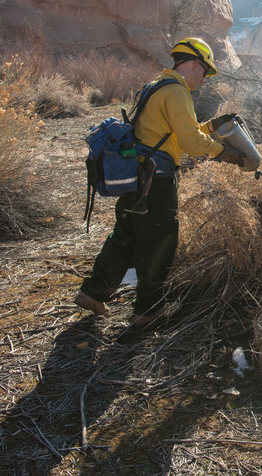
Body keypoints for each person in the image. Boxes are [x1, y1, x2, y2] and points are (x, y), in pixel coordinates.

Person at [74, 37, 244, 326]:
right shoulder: (177, 92)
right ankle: (148, 311)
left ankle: (93, 292)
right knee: (159, 242)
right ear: (192, 64)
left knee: (125, 237)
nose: (203, 80)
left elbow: (173, 133)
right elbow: (190, 142)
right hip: (156, 182)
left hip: (135, 176)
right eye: (203, 72)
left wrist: (212, 126)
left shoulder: (157, 85)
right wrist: (223, 152)